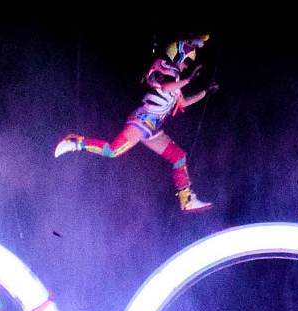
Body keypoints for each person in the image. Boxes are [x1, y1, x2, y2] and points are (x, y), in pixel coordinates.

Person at [53, 35, 217, 213]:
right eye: (187, 62)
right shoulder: (162, 65)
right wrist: (188, 80)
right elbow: (164, 87)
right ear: (179, 56)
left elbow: (182, 102)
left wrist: (204, 92)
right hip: (142, 120)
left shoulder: (176, 77)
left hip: (153, 129)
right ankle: (75, 143)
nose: (186, 67)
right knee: (112, 150)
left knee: (178, 157)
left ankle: (187, 200)